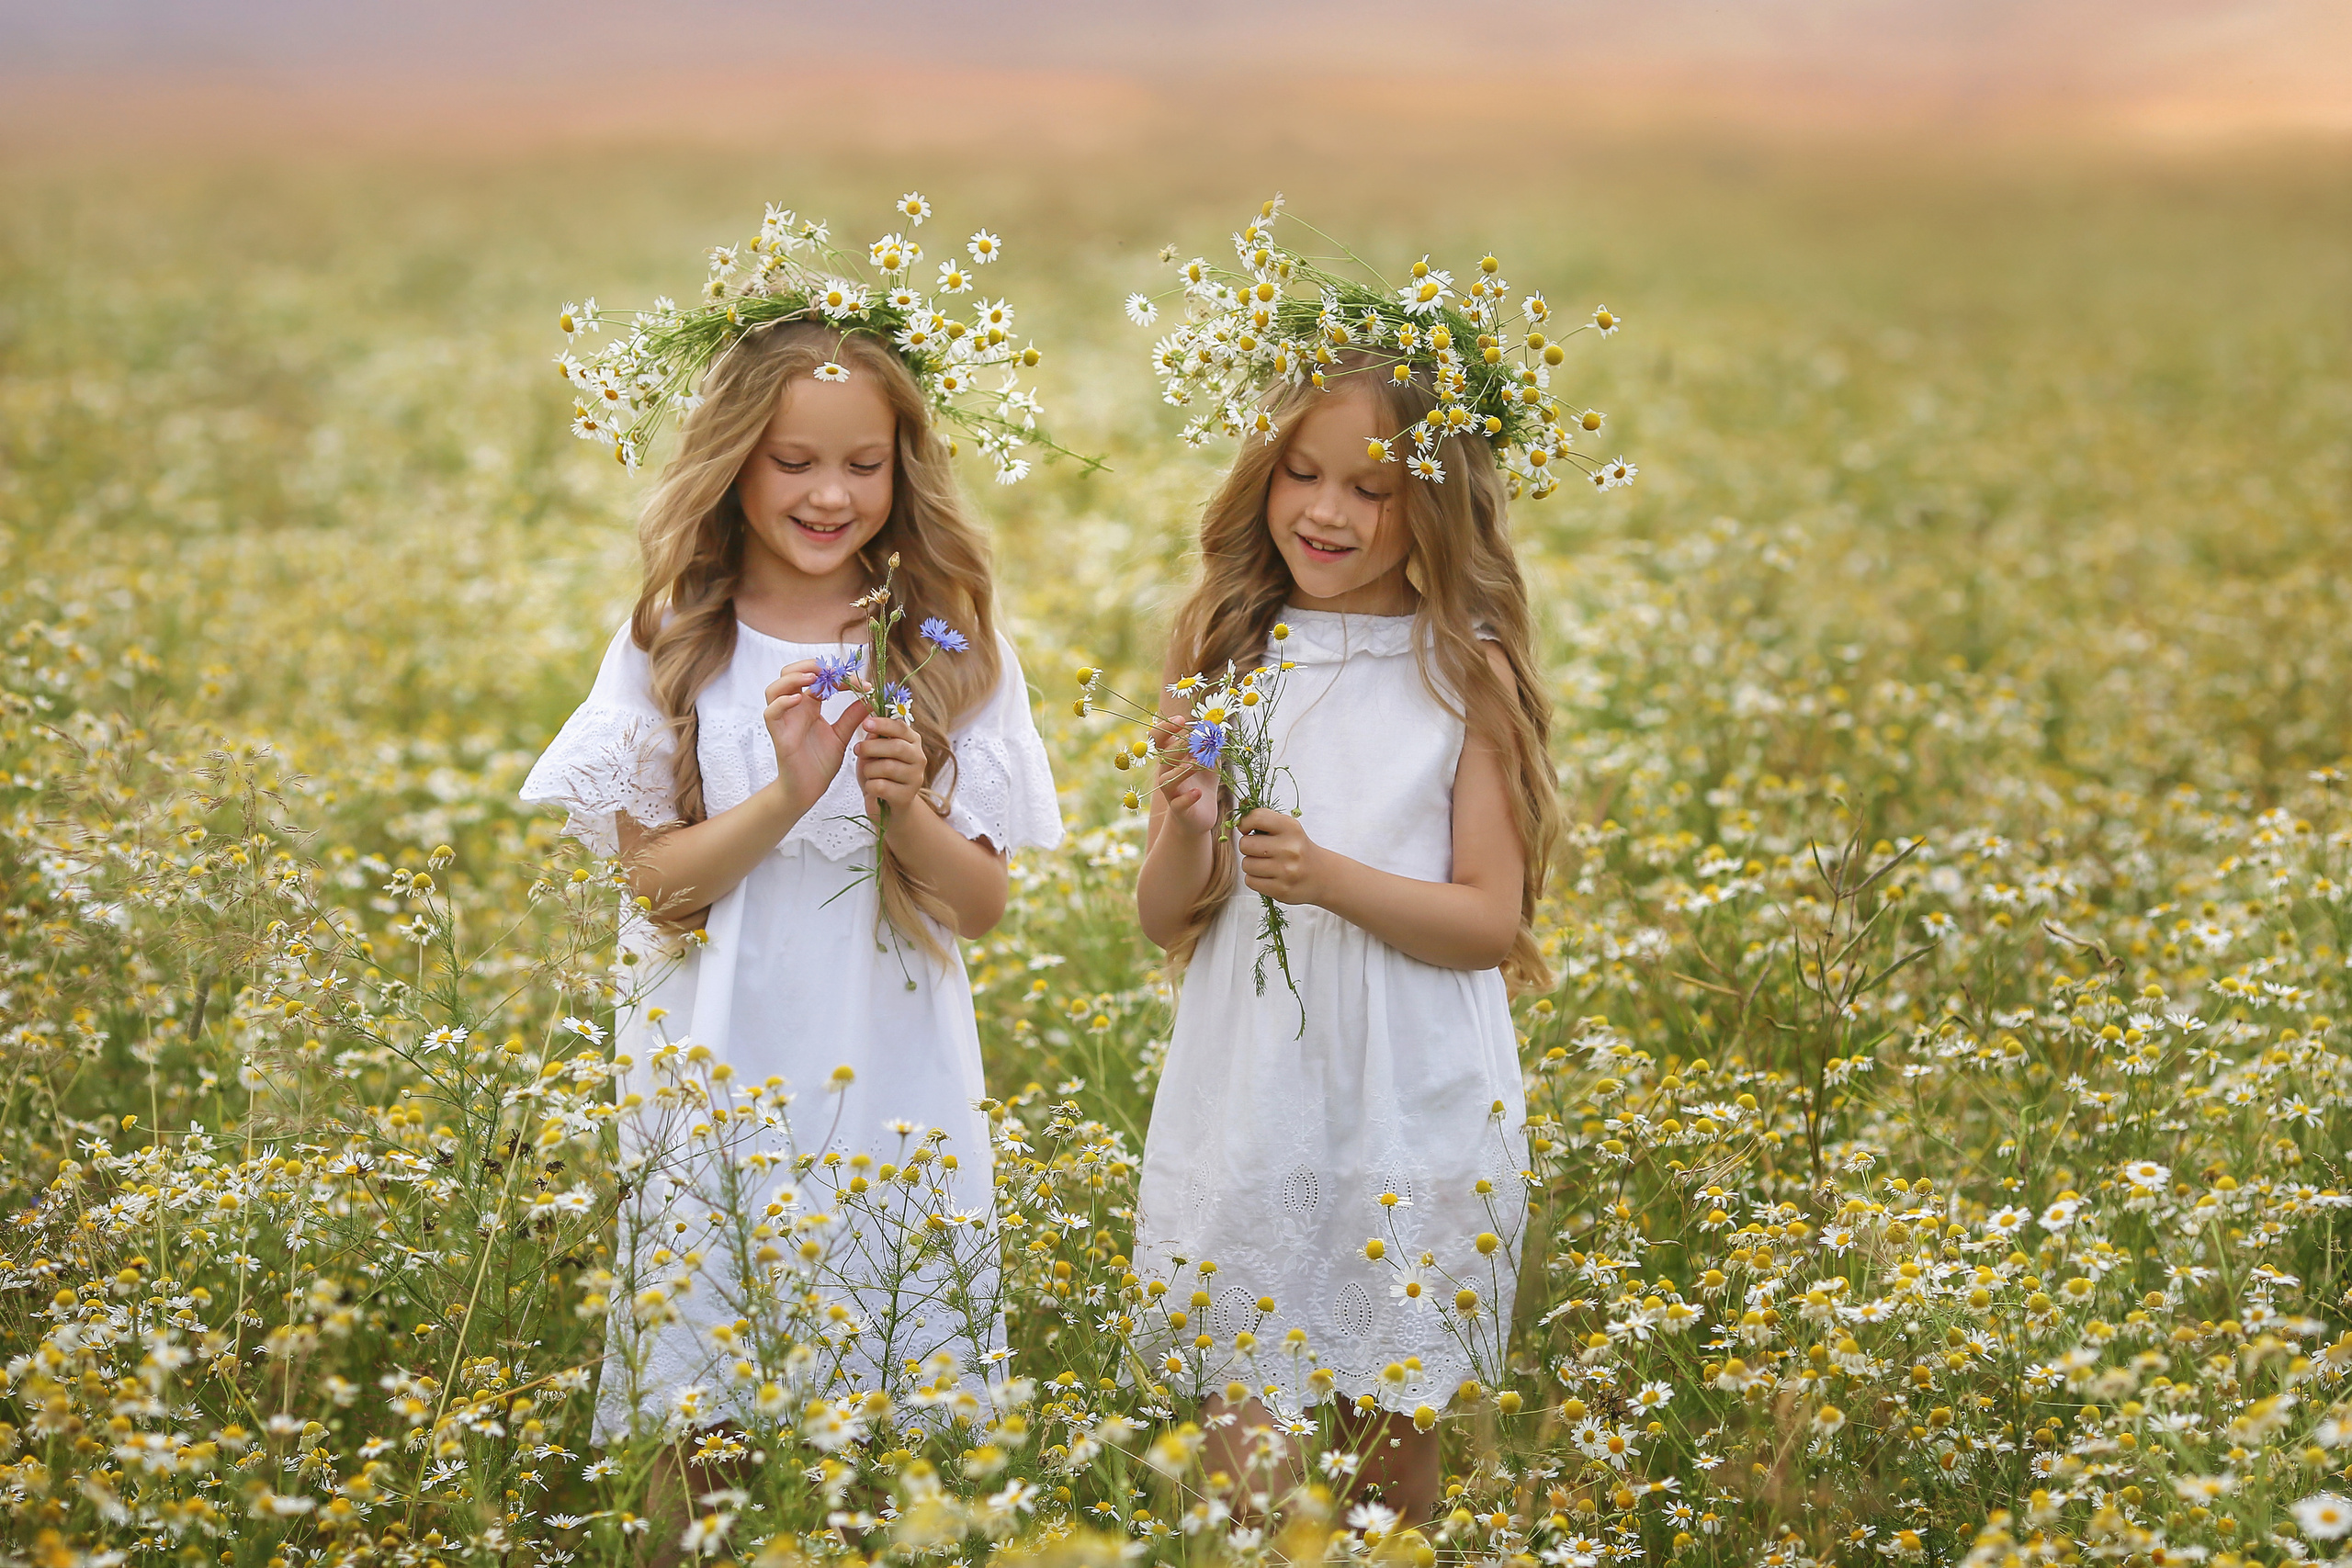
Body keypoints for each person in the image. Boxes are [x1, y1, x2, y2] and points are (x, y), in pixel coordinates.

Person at [520, 206, 1063, 1541]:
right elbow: (658, 883)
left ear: (904, 469)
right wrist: (788, 795)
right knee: (700, 1391)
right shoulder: (675, 638)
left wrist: (897, 808)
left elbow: (981, 904)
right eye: (793, 462)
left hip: (888, 1054)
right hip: (717, 1043)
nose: (831, 495)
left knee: (889, 1385)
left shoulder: (949, 644)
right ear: (733, 466)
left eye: (864, 464)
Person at [1130, 344, 1559, 1528]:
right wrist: (1186, 829)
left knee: (1387, 1461)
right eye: (1299, 475)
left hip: (1406, 1087)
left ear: (1435, 501)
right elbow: (1166, 916)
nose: (1325, 512)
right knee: (1245, 1455)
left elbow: (1485, 921)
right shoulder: (1226, 655)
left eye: (1371, 490)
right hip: (1254, 1077)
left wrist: (1326, 877)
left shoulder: (1462, 674)